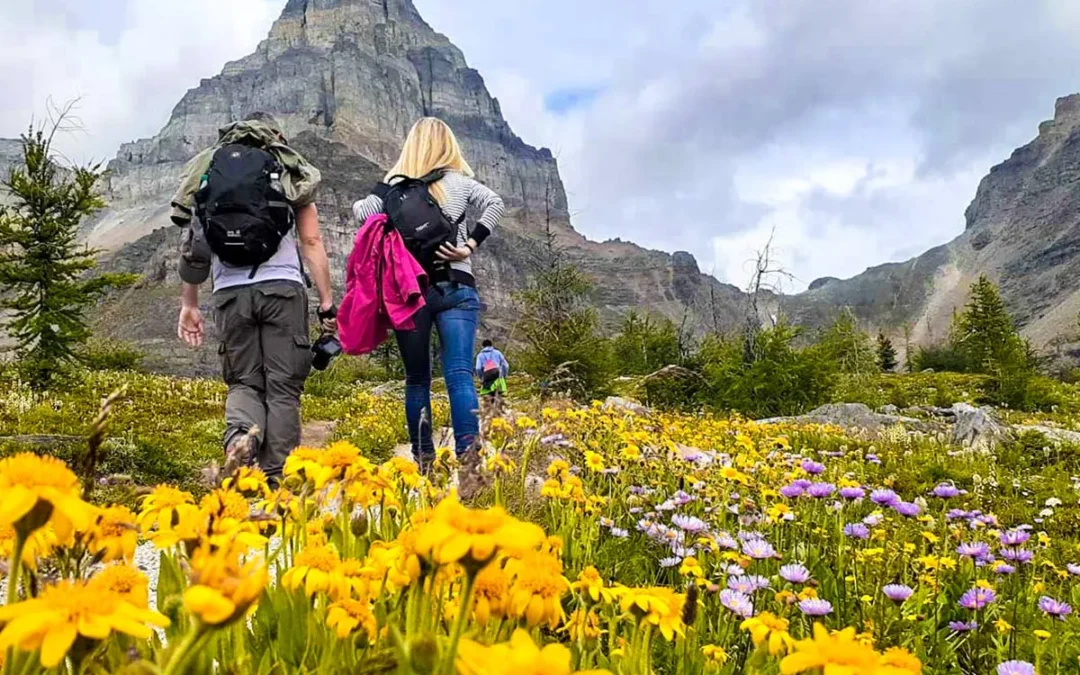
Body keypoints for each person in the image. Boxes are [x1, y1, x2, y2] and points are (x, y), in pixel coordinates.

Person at [173, 113, 336, 485]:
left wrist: (190, 304)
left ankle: (239, 446)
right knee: (282, 386)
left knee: (244, 383)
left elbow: (193, 247)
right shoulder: (286, 168)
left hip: (230, 294)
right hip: (282, 289)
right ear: (276, 136)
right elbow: (311, 242)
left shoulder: (209, 172)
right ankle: (278, 481)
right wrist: (327, 302)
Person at [353, 118, 505, 465]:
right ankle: (469, 464)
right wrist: (468, 245)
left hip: (411, 294)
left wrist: (389, 179)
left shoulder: (395, 187)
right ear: (448, 145)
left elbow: (363, 213)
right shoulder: (461, 182)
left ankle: (425, 464)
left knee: (417, 379)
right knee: (459, 375)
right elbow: (495, 203)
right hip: (457, 286)